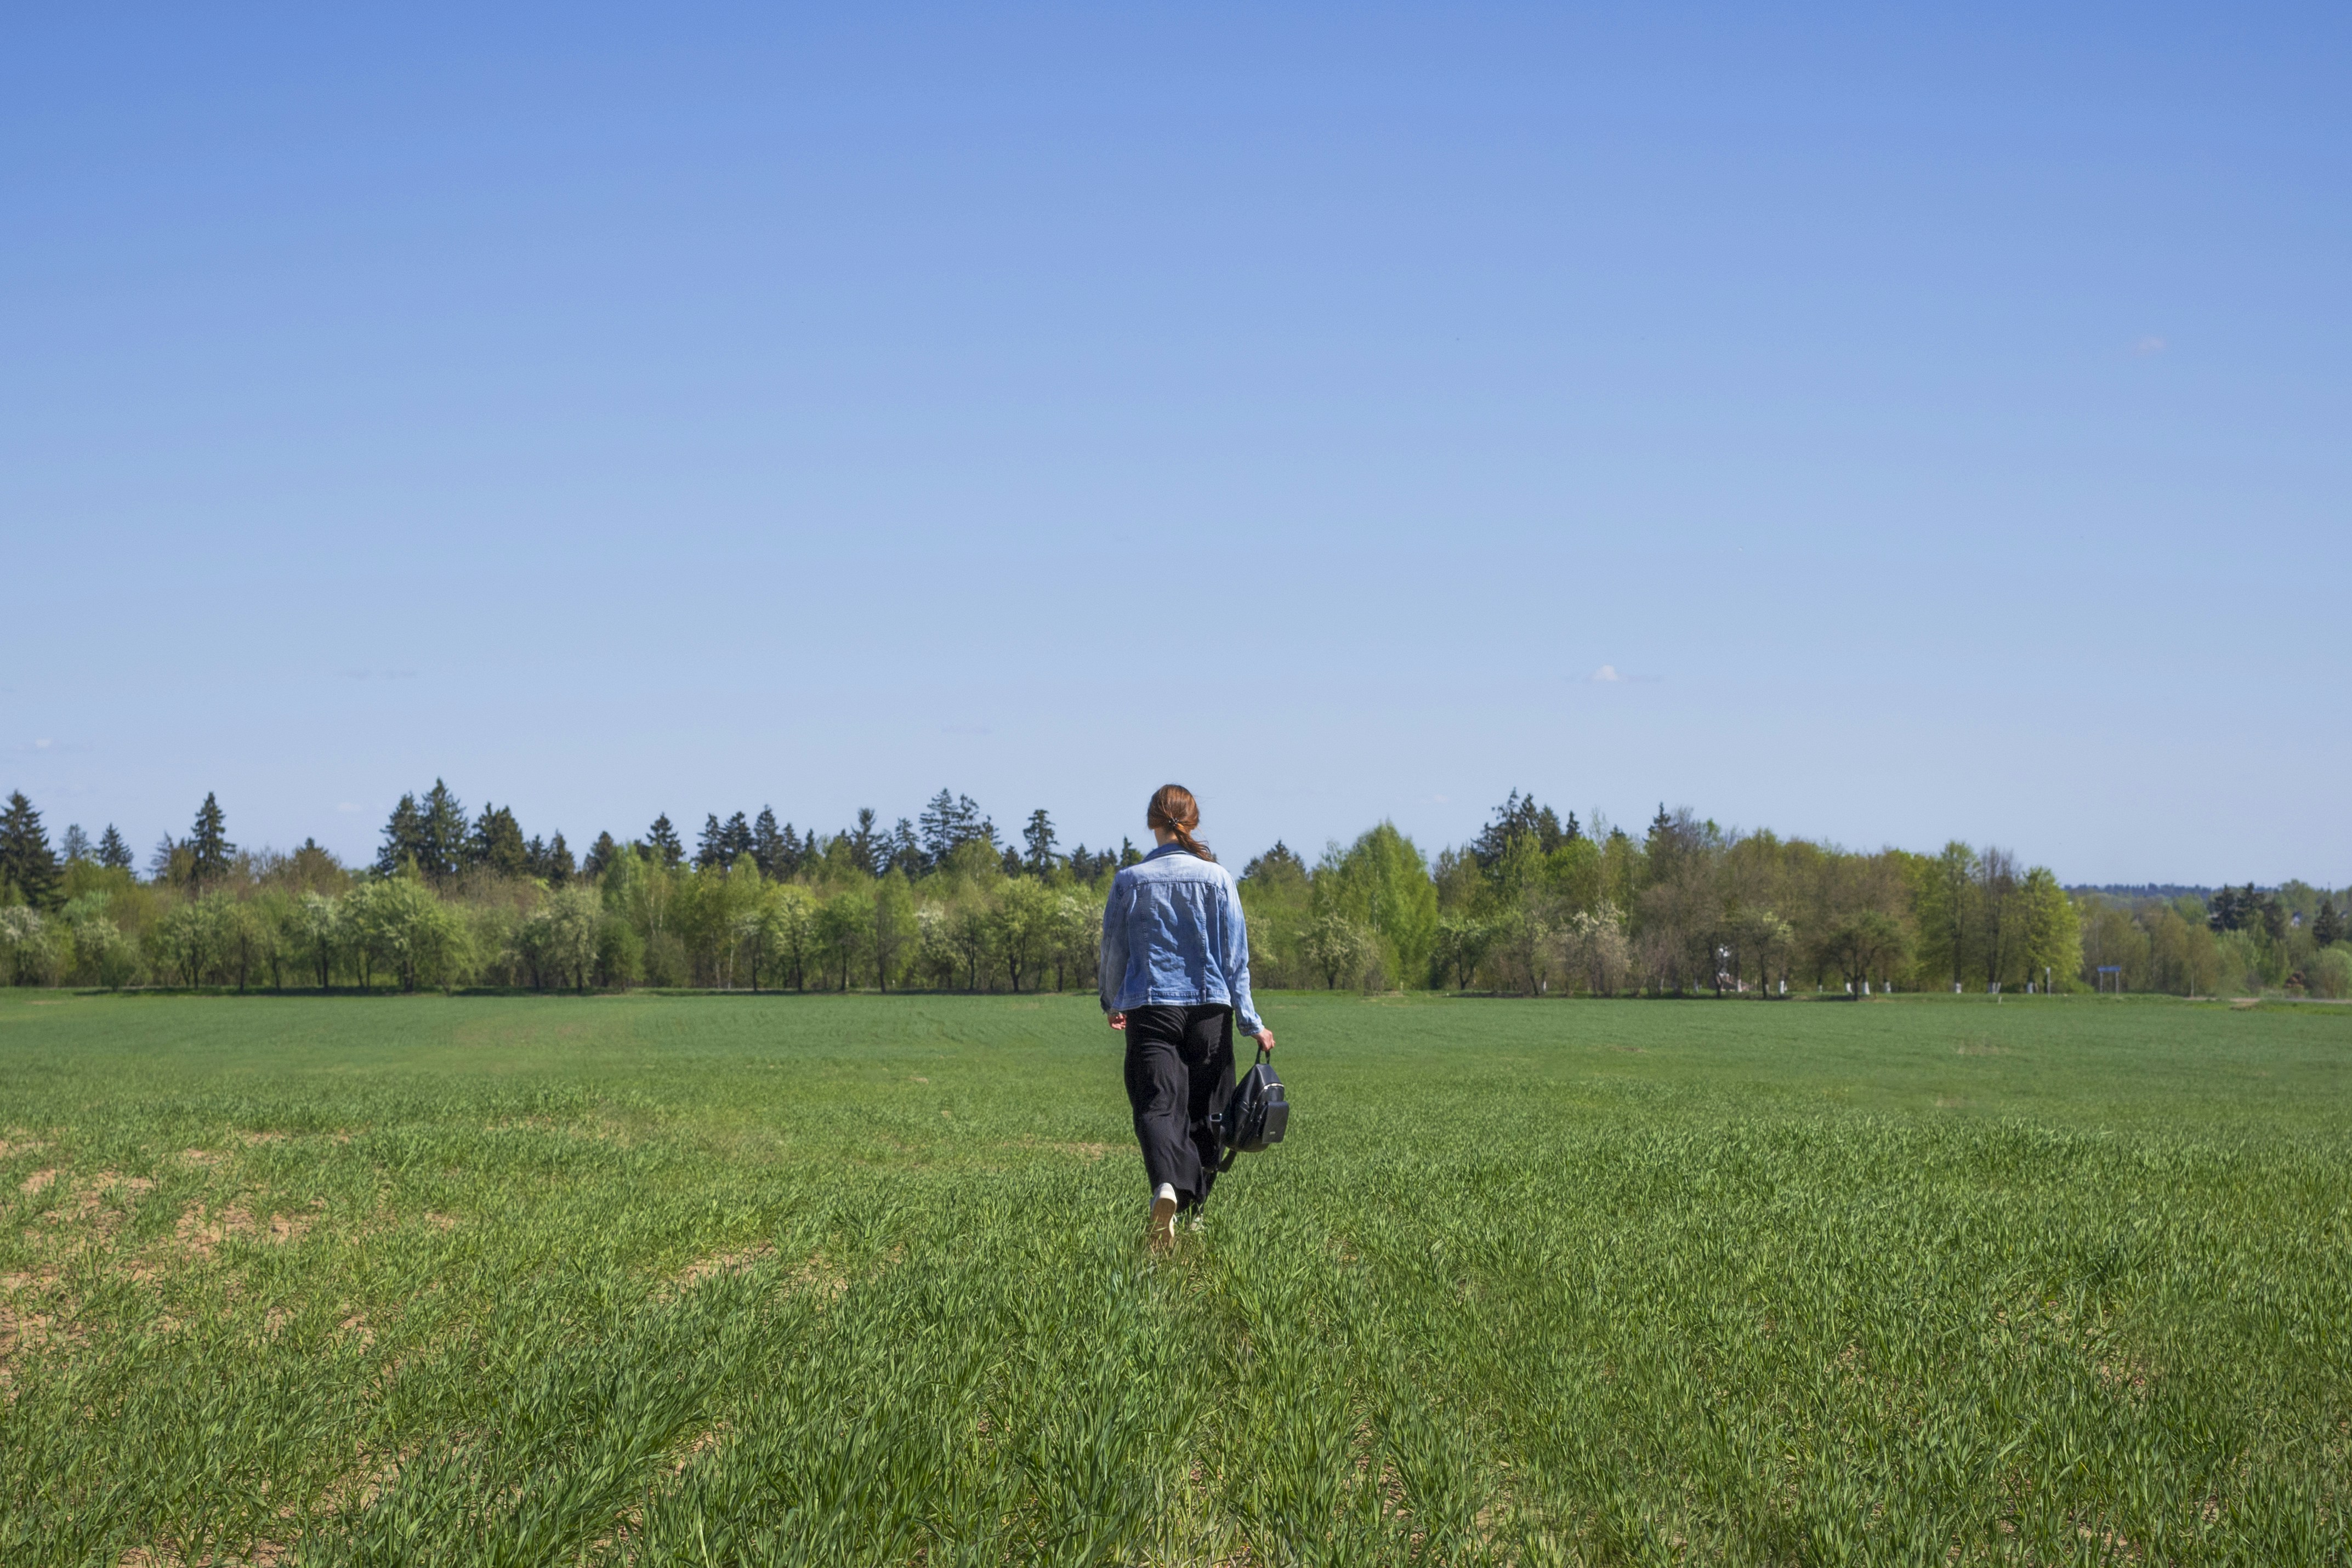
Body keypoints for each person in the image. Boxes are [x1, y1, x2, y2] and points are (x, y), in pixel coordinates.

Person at [1100, 783, 1275, 1248]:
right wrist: (1251, 1022)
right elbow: (1236, 958)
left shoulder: (1129, 881)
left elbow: (1113, 949)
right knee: (1209, 1113)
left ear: (1152, 823)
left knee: (1157, 1106)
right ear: (1192, 821)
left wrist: (1113, 1001)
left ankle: (1166, 1187)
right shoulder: (1218, 879)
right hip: (1209, 1012)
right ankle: (1195, 1211)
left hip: (1150, 1009)